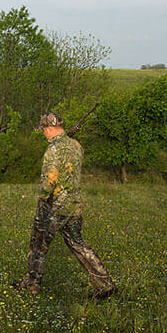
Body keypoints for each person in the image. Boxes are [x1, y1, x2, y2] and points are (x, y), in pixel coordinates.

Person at [13, 112, 116, 298]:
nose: (43, 133)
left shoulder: (53, 150)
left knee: (38, 246)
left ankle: (31, 286)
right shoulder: (76, 145)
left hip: (53, 206)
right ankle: (105, 283)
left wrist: (43, 198)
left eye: (43, 130)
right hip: (74, 205)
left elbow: (49, 182)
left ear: (50, 128)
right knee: (78, 244)